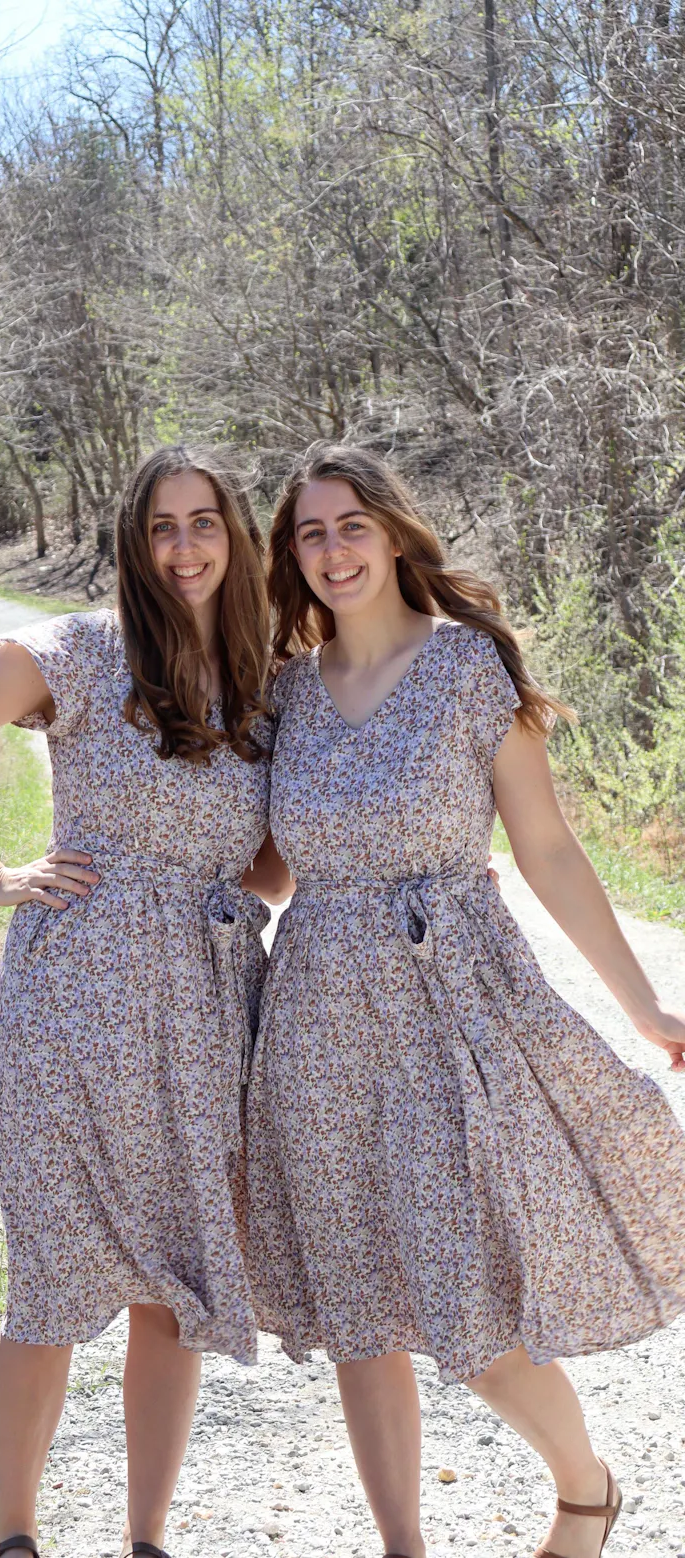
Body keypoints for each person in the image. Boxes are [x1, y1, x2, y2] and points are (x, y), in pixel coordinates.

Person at [244, 443, 685, 1558]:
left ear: (393, 533)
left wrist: (642, 1005)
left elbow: (544, 845)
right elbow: (264, 865)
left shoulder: (466, 665)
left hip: (449, 1003)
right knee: (355, 1305)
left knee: (465, 1299)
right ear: (290, 556)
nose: (333, 550)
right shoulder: (286, 691)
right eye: (310, 532)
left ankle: (584, 1489)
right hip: (314, 1018)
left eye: (351, 525)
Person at [0, 446, 289, 1558]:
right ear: (132, 540)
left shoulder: (266, 677)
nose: (186, 546)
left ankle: (144, 1538)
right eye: (162, 525)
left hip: (208, 1004)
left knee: (177, 1283)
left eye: (206, 522)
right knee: (51, 1277)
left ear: (236, 537)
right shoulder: (73, 651)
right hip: (73, 996)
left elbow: (273, 868)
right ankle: (16, 1535)